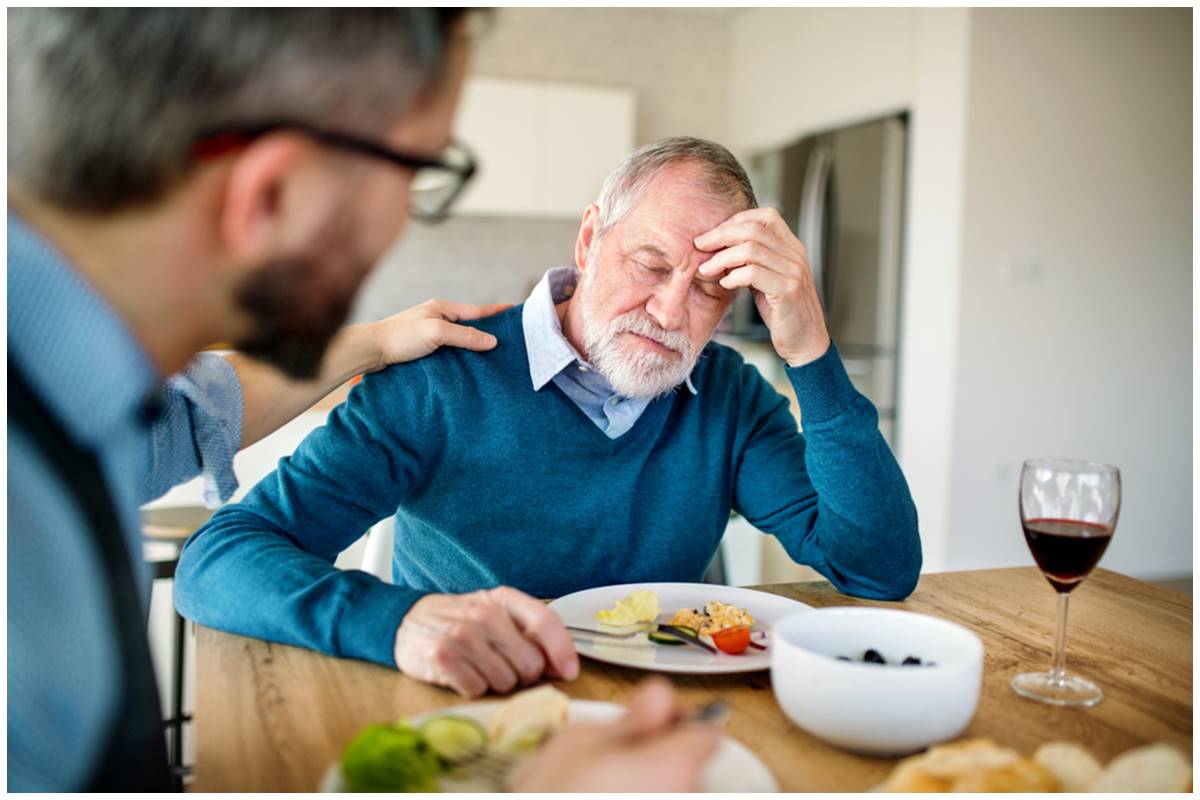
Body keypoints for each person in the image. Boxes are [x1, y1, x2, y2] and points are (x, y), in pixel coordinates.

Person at [8, 8, 711, 792]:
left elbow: (184, 416)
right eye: (419, 169)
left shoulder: (77, 403)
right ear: (270, 193)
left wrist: (369, 343)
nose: (406, 217)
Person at [176, 137, 923, 697]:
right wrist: (396, 622)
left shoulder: (729, 395)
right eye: (652, 265)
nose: (670, 312)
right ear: (592, 236)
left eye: (708, 291)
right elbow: (220, 562)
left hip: (651, 731)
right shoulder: (443, 373)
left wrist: (811, 352)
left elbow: (877, 568)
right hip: (468, 717)